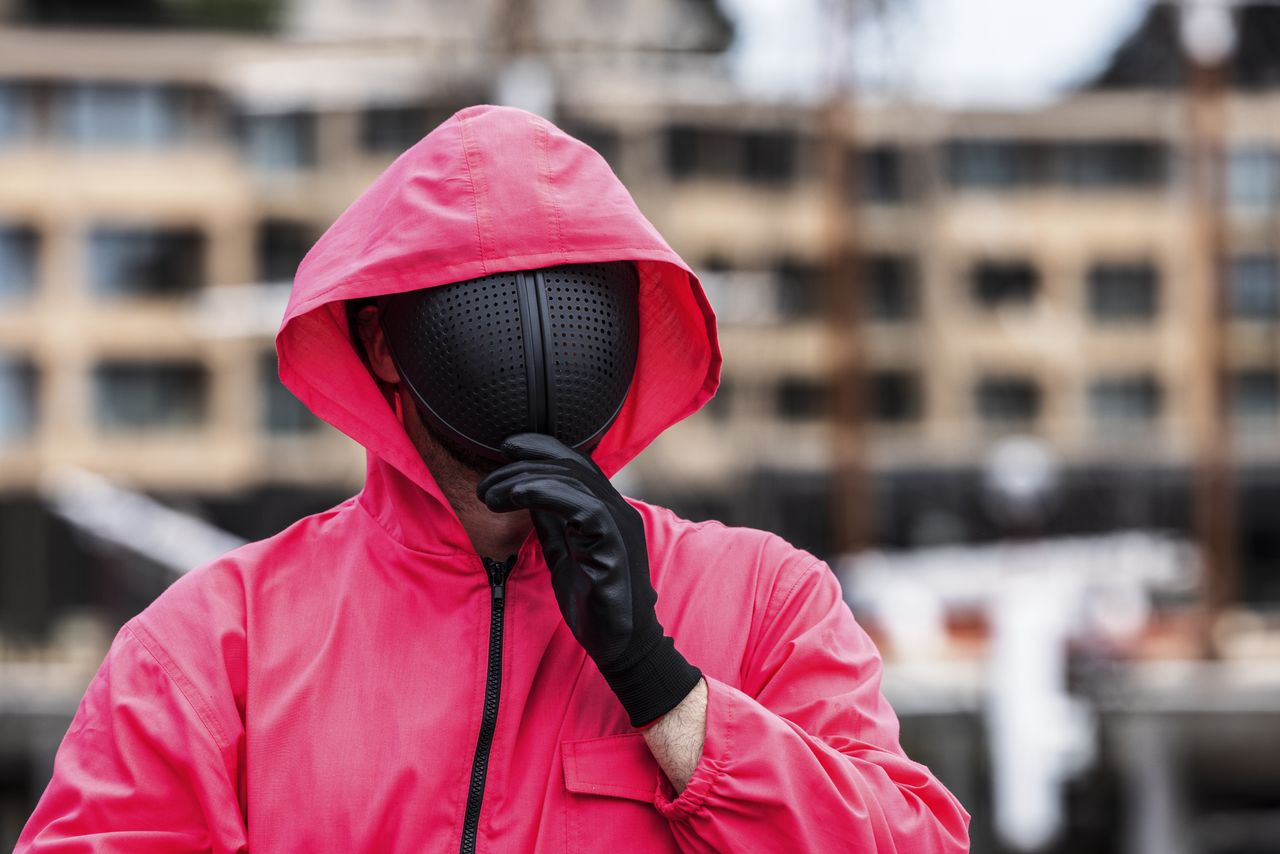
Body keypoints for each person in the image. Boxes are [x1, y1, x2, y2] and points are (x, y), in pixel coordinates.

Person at [18, 105, 969, 852]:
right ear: (381, 342)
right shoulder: (218, 644)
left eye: (577, 303)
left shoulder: (765, 601)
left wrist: (666, 690)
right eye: (484, 307)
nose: (539, 343)